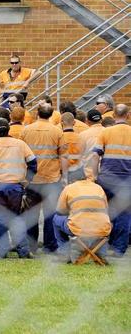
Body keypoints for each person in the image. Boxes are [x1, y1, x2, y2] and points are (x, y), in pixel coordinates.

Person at [0, 118, 37, 258]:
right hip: (16, 187)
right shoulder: (20, 144)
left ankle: (2, 251)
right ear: (8, 129)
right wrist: (27, 180)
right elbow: (33, 163)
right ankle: (23, 251)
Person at [21, 103, 63, 254]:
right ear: (51, 114)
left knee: (31, 213)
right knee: (50, 213)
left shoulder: (26, 130)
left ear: (37, 113)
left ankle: (31, 245)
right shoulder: (57, 131)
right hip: (51, 178)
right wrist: (63, 174)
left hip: (32, 178)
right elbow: (62, 155)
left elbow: (22, 154)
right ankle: (50, 246)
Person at [90, 104, 131, 257]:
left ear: (113, 116)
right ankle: (119, 248)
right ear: (128, 115)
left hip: (107, 179)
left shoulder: (105, 132)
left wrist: (95, 176)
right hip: (127, 179)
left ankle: (103, 245)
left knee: (105, 212)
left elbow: (95, 156)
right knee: (125, 213)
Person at [53, 177, 111, 259]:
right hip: (102, 228)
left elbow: (59, 210)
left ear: (72, 178)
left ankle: (64, 253)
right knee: (103, 220)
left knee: (56, 218)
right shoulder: (98, 187)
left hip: (79, 229)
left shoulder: (69, 188)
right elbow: (106, 209)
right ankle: (101, 254)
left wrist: (71, 211)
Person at [59, 112, 84, 184]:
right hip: (77, 171)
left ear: (61, 122)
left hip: (62, 171)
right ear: (74, 122)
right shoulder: (80, 138)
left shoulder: (60, 137)